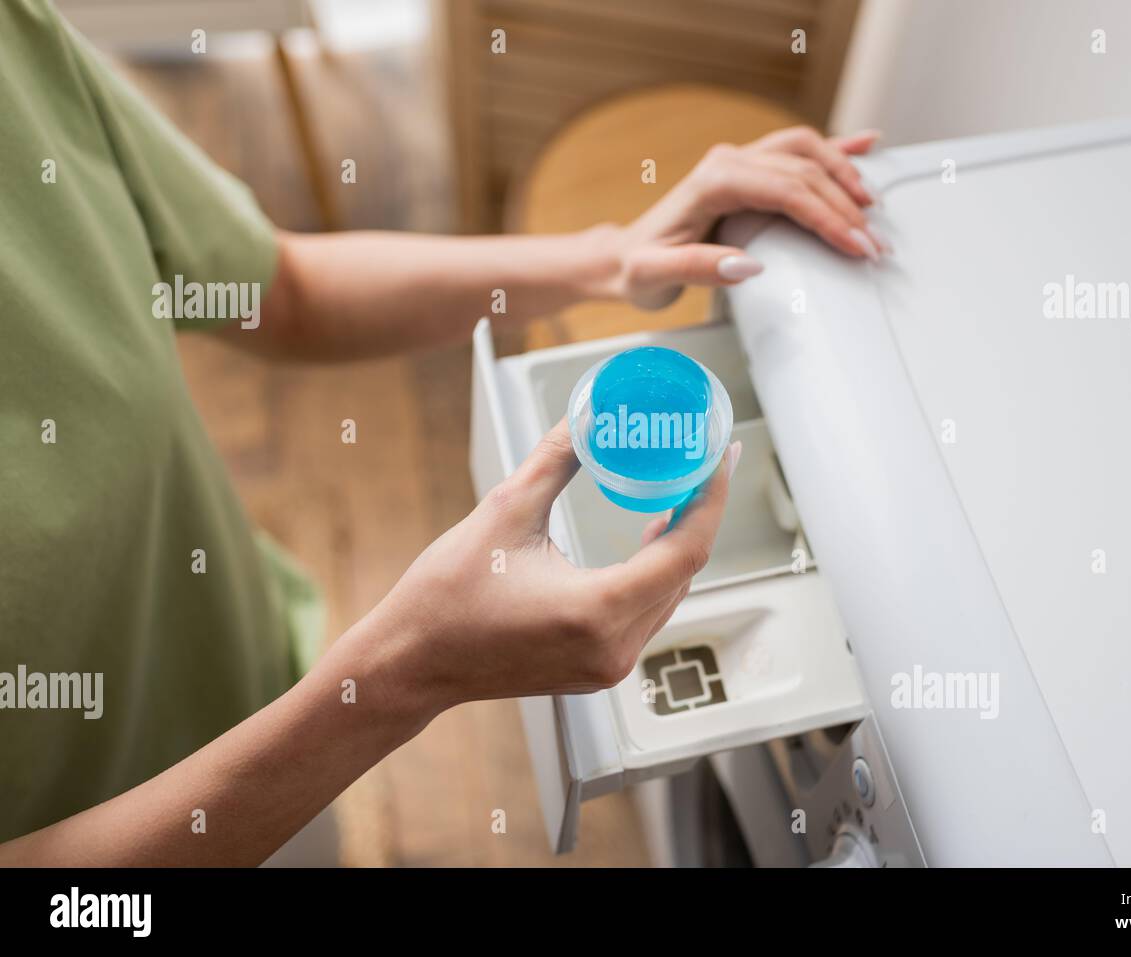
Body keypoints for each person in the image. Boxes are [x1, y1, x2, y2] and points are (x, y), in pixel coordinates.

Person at [0, 0, 885, 865]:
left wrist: (611, 258)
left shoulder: (19, 42)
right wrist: (405, 675)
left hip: (249, 692)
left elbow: (278, 287)